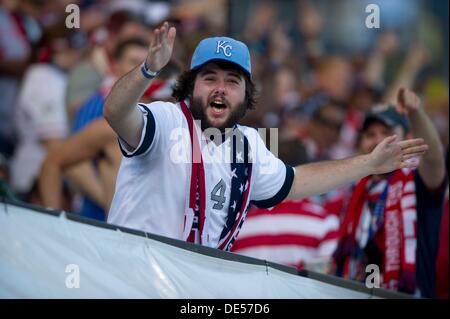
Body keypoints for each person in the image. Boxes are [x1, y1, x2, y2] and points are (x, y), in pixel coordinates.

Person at [103, 22, 427, 251]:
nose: (220, 88)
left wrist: (369, 163)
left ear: (246, 95)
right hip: (133, 280)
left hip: (190, 288)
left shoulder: (249, 144)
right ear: (190, 86)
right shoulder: (166, 119)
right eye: (209, 77)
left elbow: (297, 183)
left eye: (232, 81)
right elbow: (116, 113)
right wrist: (147, 69)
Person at [333, 89, 447, 297]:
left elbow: (434, 157)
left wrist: (415, 112)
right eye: (370, 135)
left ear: (409, 140)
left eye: (387, 133)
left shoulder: (418, 182)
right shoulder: (354, 193)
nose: (378, 141)